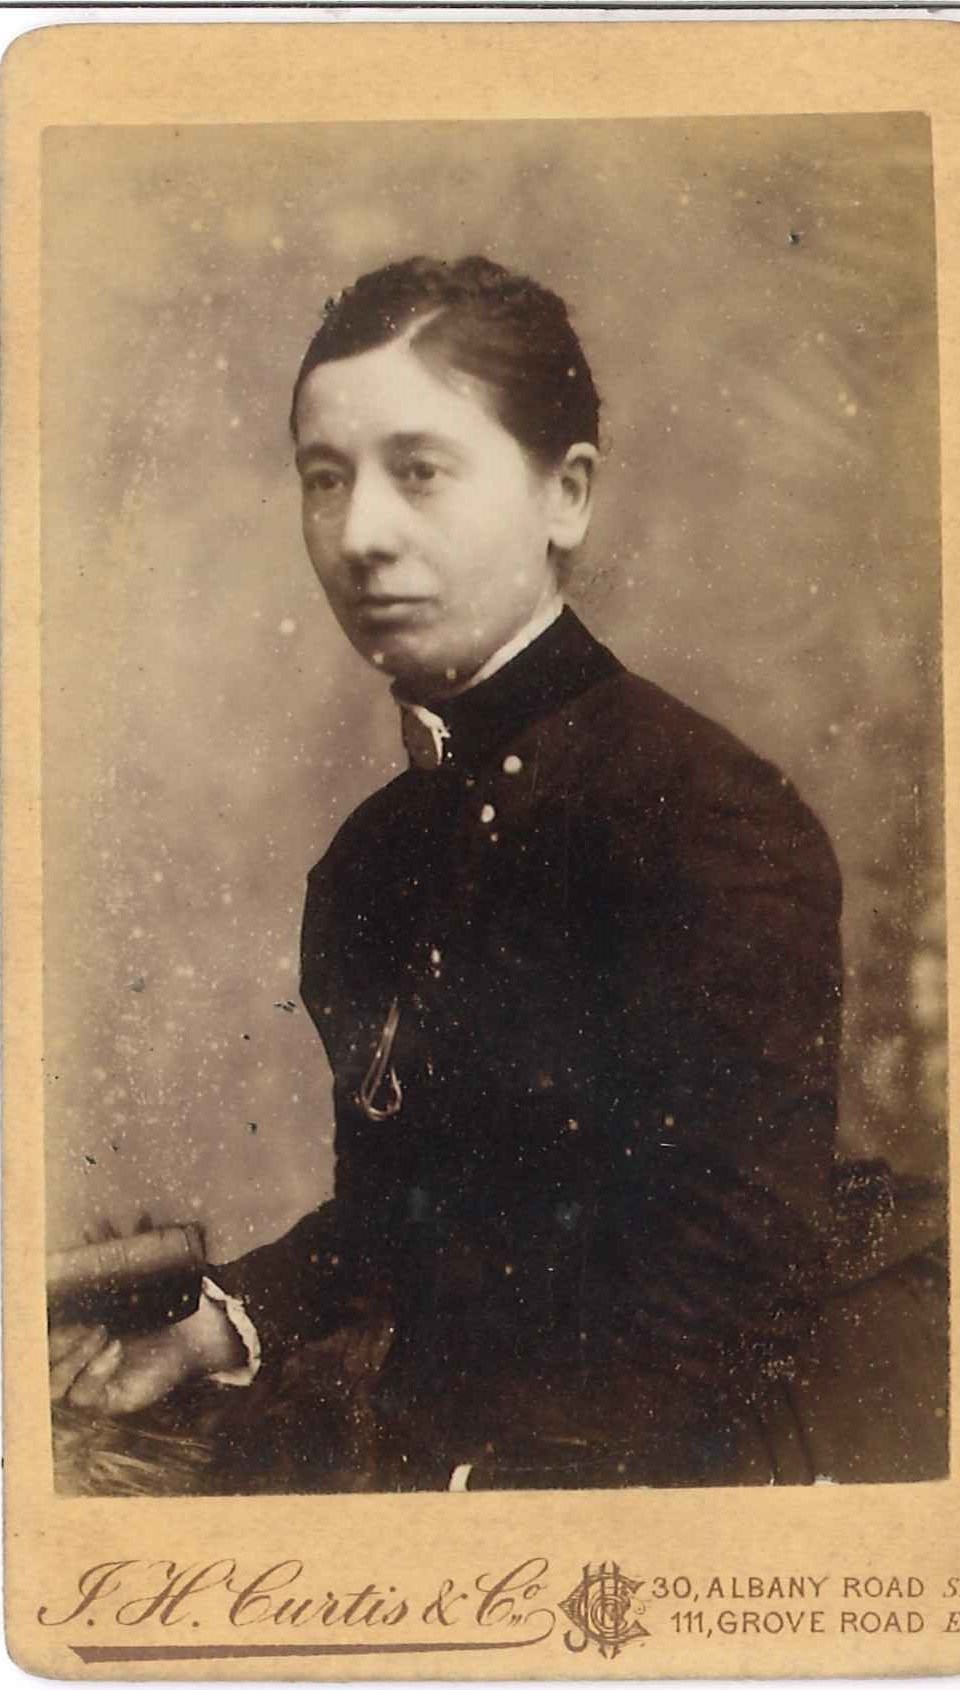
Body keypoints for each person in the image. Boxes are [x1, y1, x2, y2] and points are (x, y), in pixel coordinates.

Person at [50, 255, 846, 1490]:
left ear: (564, 495)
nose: (361, 533)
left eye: (419, 470)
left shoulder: (701, 813)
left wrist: (475, 1510)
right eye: (325, 478)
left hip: (662, 1506)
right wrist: (216, 1326)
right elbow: (408, 1223)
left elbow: (732, 1275)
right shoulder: (371, 858)